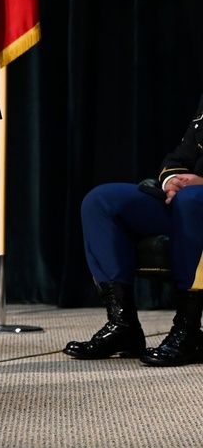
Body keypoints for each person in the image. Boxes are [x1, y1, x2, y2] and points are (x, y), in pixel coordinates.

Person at [63, 92, 203, 366]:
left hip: (196, 202)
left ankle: (188, 331)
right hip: (190, 204)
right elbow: (180, 155)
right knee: (102, 200)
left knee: (190, 200)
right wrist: (172, 180)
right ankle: (123, 325)